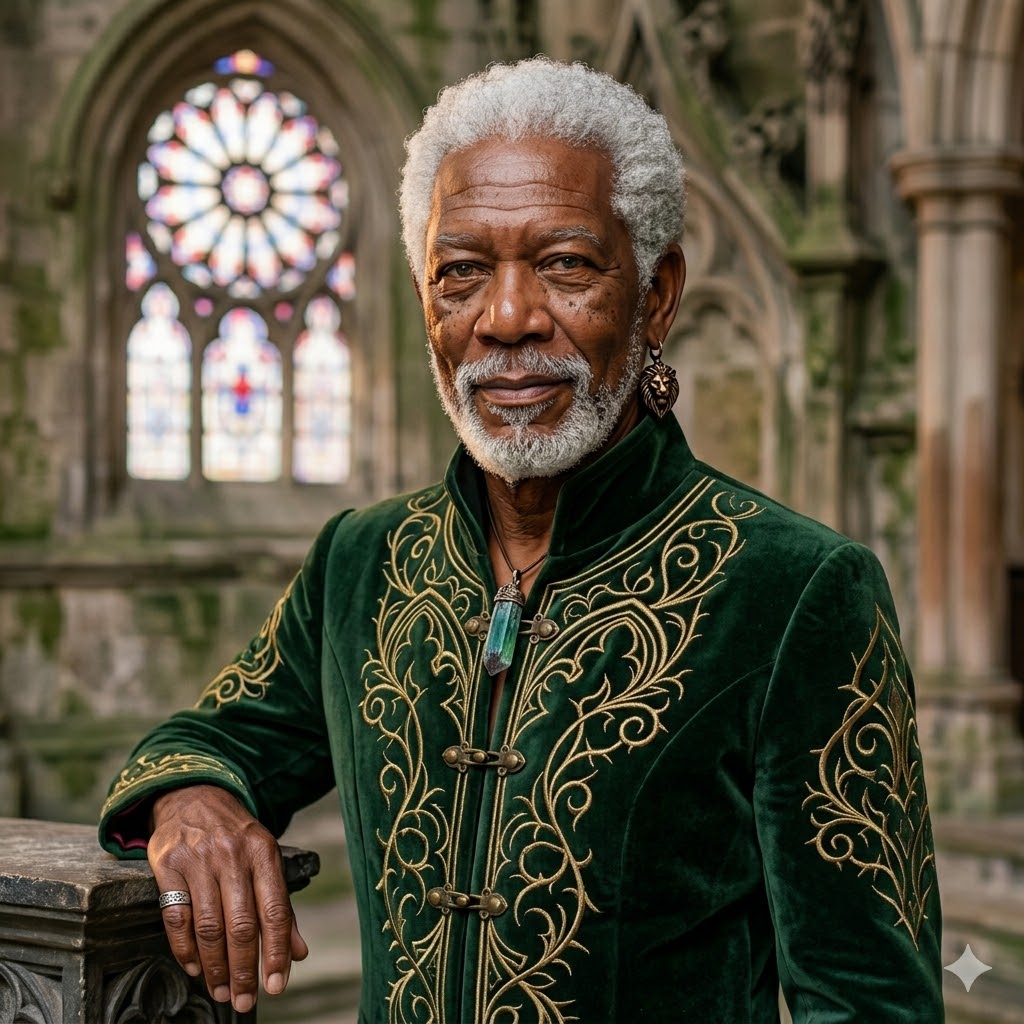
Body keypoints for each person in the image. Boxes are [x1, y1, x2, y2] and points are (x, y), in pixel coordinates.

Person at [99, 56, 944, 1022]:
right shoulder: (361, 563)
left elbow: (872, 1003)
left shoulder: (797, 591)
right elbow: (207, 742)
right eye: (460, 272)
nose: (505, 319)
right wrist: (192, 805)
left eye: (566, 264)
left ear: (657, 295)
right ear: (426, 300)